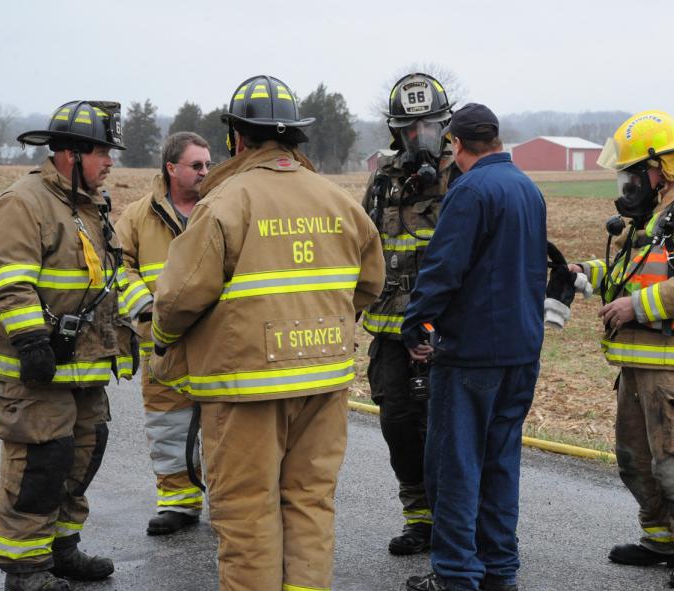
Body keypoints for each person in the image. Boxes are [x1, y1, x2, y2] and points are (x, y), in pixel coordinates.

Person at [149, 75, 385, 591]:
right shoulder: (339, 200)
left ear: (237, 137)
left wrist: (165, 339)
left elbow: (178, 297)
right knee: (310, 503)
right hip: (324, 379)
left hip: (245, 386)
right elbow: (369, 285)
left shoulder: (224, 202)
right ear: (294, 137)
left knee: (246, 513)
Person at [568, 111, 674, 590]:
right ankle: (661, 541)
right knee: (637, 460)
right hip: (642, 365)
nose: (625, 183)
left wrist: (635, 308)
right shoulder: (656, 215)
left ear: (657, 168)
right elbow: (631, 273)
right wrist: (582, 273)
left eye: (630, 173)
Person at [0, 100, 136, 591]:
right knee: (40, 466)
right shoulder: (24, 202)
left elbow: (106, 277)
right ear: (70, 153)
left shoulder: (91, 203)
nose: (110, 162)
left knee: (83, 453)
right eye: (102, 152)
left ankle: (60, 550)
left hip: (84, 365)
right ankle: (24, 570)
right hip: (39, 366)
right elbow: (7, 278)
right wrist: (30, 341)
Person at [401, 103, 547, 591]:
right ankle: (499, 568)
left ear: (457, 145)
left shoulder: (470, 191)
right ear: (498, 141)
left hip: (471, 356)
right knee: (501, 464)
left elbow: (443, 270)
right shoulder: (528, 189)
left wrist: (414, 322)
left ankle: (457, 574)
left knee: (456, 466)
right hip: (522, 353)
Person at [361, 72, 460, 555]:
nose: (419, 138)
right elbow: (363, 243)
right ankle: (418, 517)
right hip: (388, 330)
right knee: (397, 425)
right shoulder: (383, 179)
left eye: (429, 127)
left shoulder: (462, 176)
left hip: (445, 331)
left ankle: (455, 519)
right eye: (409, 129)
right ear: (395, 132)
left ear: (446, 126)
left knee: (444, 426)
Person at [115, 132, 212, 535]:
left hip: (216, 341)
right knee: (169, 425)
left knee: (229, 428)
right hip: (163, 344)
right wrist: (147, 309)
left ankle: (230, 505)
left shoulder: (222, 208)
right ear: (171, 169)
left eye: (208, 165)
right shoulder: (138, 216)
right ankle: (179, 503)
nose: (206, 172)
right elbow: (116, 264)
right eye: (197, 165)